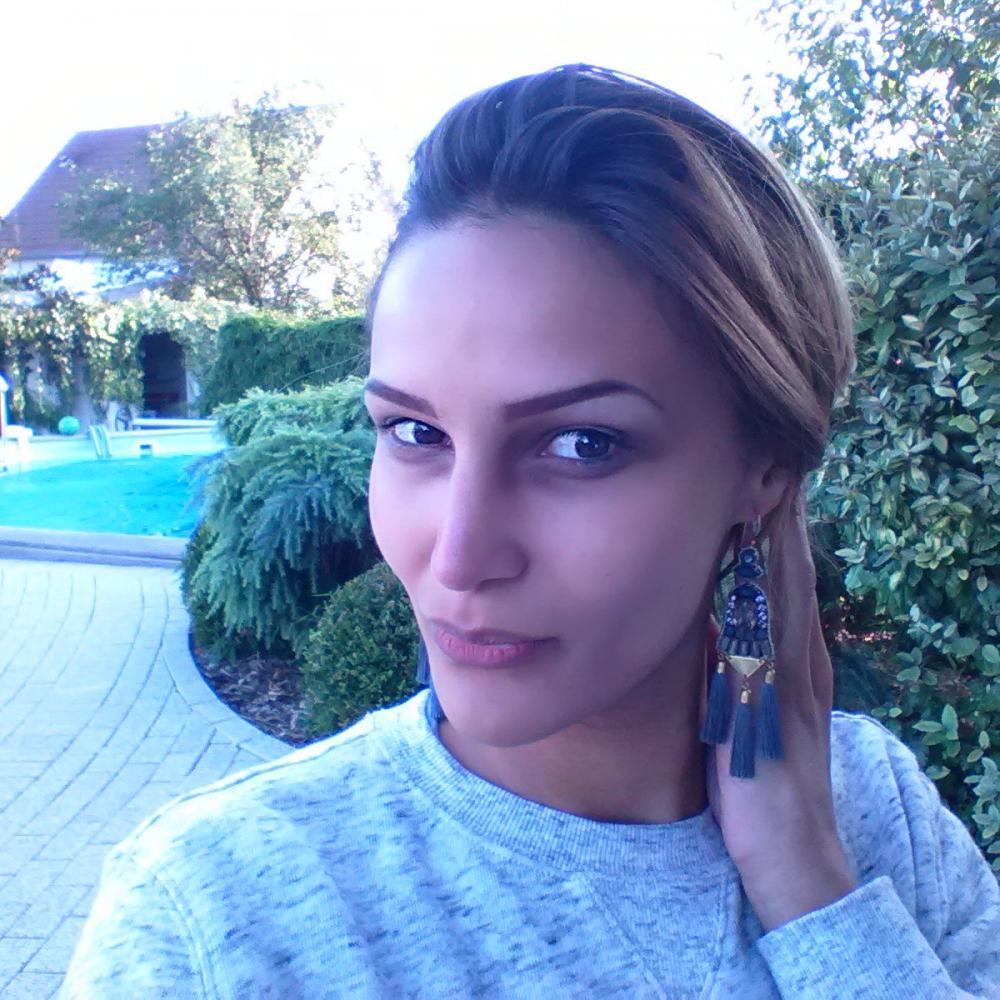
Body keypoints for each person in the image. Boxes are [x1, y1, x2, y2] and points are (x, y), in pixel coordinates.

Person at [62, 65, 999, 998]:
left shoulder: (878, 812)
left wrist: (812, 887)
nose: (459, 557)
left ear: (766, 471)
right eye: (415, 433)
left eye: (582, 444)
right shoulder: (212, 918)